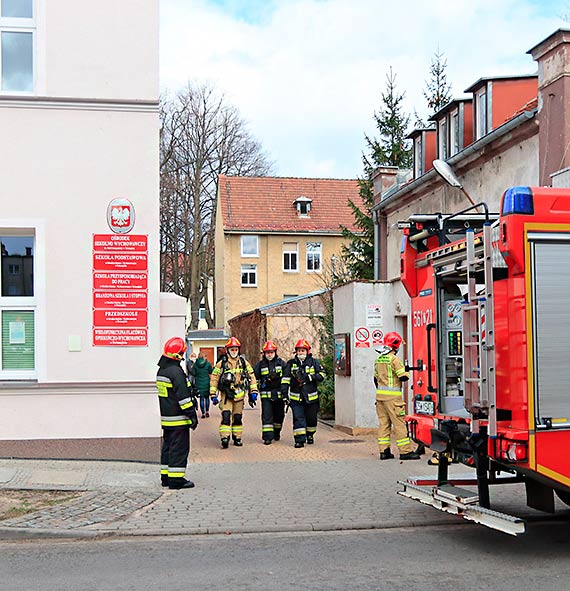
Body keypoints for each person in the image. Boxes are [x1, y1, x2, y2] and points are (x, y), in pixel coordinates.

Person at [156, 337, 199, 489]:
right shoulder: (176, 372)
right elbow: (183, 398)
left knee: (167, 447)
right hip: (179, 419)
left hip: (167, 419)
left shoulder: (162, 370)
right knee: (179, 449)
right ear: (177, 355)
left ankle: (166, 477)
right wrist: (192, 415)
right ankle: (176, 480)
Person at [374, 331, 420, 461]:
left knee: (384, 424)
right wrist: (407, 370)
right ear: (396, 345)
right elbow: (403, 376)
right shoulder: (394, 359)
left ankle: (384, 452)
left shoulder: (379, 359)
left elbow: (375, 378)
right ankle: (405, 452)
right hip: (393, 399)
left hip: (380, 398)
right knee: (399, 424)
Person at [210, 337, 258, 448]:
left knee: (237, 417)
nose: (234, 351)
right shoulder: (222, 363)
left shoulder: (243, 363)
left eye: (236, 349)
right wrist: (213, 394)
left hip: (239, 395)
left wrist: (253, 391)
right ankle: (224, 437)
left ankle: (237, 437)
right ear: (227, 350)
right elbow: (214, 378)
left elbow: (252, 376)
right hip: (227, 395)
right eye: (232, 349)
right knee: (226, 416)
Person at [281, 339, 325, 448]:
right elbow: (285, 379)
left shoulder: (314, 362)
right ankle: (299, 440)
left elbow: (322, 375)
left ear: (307, 352)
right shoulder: (291, 364)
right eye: (299, 351)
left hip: (311, 398)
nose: (300, 353)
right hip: (296, 398)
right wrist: (284, 394)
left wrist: (310, 377)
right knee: (298, 418)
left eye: (303, 351)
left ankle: (310, 435)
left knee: (311, 419)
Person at [254, 340, 287, 445]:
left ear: (275, 352)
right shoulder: (260, 365)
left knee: (279, 416)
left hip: (279, 395)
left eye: (271, 352)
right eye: (267, 352)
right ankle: (267, 437)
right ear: (264, 353)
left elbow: (286, 377)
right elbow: (254, 378)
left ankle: (276, 432)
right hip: (266, 395)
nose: (269, 354)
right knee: (267, 416)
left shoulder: (281, 363)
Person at [191, 350, 213, 418]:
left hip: (199, 383)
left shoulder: (195, 364)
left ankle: (203, 413)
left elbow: (193, 374)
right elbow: (211, 371)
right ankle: (207, 411)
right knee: (207, 398)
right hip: (206, 383)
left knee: (201, 398)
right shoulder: (208, 364)